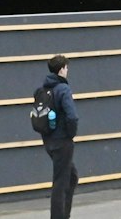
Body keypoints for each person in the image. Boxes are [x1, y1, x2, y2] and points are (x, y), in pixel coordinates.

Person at [37, 55, 79, 219]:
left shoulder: (42, 90)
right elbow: (72, 116)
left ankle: (64, 214)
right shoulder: (63, 89)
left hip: (48, 141)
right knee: (61, 182)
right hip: (63, 142)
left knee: (71, 176)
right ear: (61, 70)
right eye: (66, 68)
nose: (67, 71)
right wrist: (71, 134)